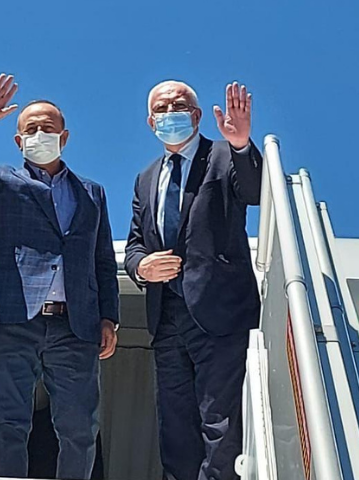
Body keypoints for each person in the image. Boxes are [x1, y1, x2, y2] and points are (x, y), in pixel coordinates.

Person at [0, 74, 119, 480]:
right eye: (31, 129)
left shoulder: (91, 192)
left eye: (48, 127)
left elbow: (102, 260)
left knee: (80, 427)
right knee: (9, 423)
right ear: (17, 140)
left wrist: (109, 316)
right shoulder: (3, 181)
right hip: (14, 318)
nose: (40, 134)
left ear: (65, 135)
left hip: (75, 324)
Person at [124, 80, 263, 480]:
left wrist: (240, 144)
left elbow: (254, 192)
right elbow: (135, 243)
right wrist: (141, 268)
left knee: (220, 421)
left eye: (179, 105)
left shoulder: (222, 156)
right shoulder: (145, 178)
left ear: (197, 115)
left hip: (218, 312)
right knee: (175, 424)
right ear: (151, 121)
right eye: (162, 108)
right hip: (165, 317)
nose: (171, 112)